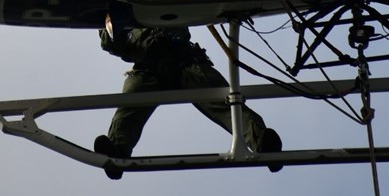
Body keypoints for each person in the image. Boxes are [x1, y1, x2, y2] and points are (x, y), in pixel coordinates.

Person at [93, 21, 283, 179]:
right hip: (148, 67)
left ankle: (263, 143)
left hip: (186, 61)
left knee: (226, 104)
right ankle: (117, 152)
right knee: (130, 107)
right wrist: (117, 24)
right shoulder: (116, 14)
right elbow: (109, 42)